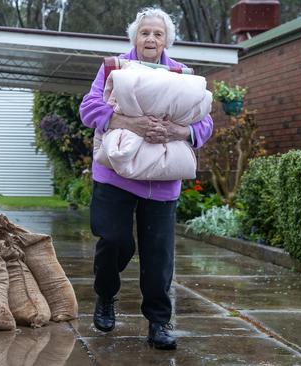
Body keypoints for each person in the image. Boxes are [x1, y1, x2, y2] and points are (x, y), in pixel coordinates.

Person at [79, 7, 213, 350]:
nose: (150, 38)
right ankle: (105, 294)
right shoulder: (114, 68)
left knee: (158, 256)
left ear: (166, 39)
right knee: (114, 240)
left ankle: (158, 322)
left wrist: (179, 130)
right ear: (134, 38)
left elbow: (205, 122)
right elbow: (89, 108)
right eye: (144, 33)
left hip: (162, 179)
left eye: (157, 33)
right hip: (116, 173)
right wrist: (128, 123)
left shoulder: (182, 74)